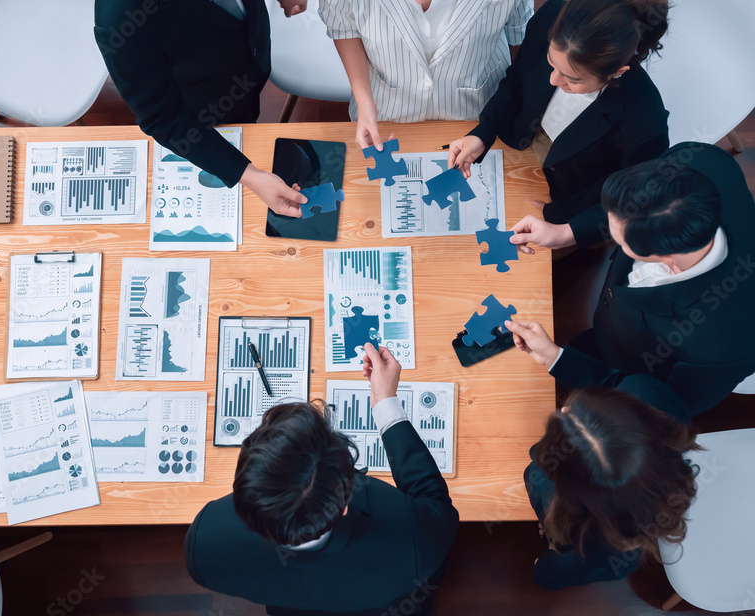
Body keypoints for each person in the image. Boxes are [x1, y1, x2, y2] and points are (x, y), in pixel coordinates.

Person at [184, 344, 459, 616]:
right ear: (343, 507)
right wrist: (386, 404)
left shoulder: (204, 543)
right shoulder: (413, 543)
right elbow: (437, 509)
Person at [509, 142, 755, 416]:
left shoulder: (722, 346)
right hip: (608, 332)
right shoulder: (701, 160)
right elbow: (629, 208)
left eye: (619, 241)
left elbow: (660, 409)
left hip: (632, 369)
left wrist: (560, 362)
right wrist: (566, 232)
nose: (611, 237)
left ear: (666, 258)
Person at [447, 0, 670, 248]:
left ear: (617, 71)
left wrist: (567, 233)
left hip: (572, 203)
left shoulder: (645, 119)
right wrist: (483, 133)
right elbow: (518, 79)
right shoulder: (551, 17)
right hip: (520, 150)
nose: (554, 79)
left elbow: (638, 197)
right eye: (551, 63)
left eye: (572, 79)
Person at [95, 1, 309, 217]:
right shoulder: (119, 17)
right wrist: (249, 175)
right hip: (213, 96)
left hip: (253, 41)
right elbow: (163, 118)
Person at [523, 385, 699, 589]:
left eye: (568, 411)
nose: (564, 410)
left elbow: (559, 572)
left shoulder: (596, 548)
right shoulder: (649, 392)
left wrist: (543, 568)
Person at [318, 0, 533, 149]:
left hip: (480, 114)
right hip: (385, 114)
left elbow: (521, 39)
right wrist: (365, 104)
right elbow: (345, 29)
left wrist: (522, 109)